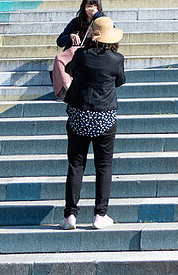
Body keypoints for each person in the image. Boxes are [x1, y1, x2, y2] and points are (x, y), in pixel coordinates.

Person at [62, 16, 125, 230]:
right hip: (104, 117)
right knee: (104, 166)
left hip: (80, 113)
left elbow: (70, 71)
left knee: (76, 165)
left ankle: (70, 215)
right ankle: (100, 215)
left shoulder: (81, 56)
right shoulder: (116, 59)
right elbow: (120, 81)